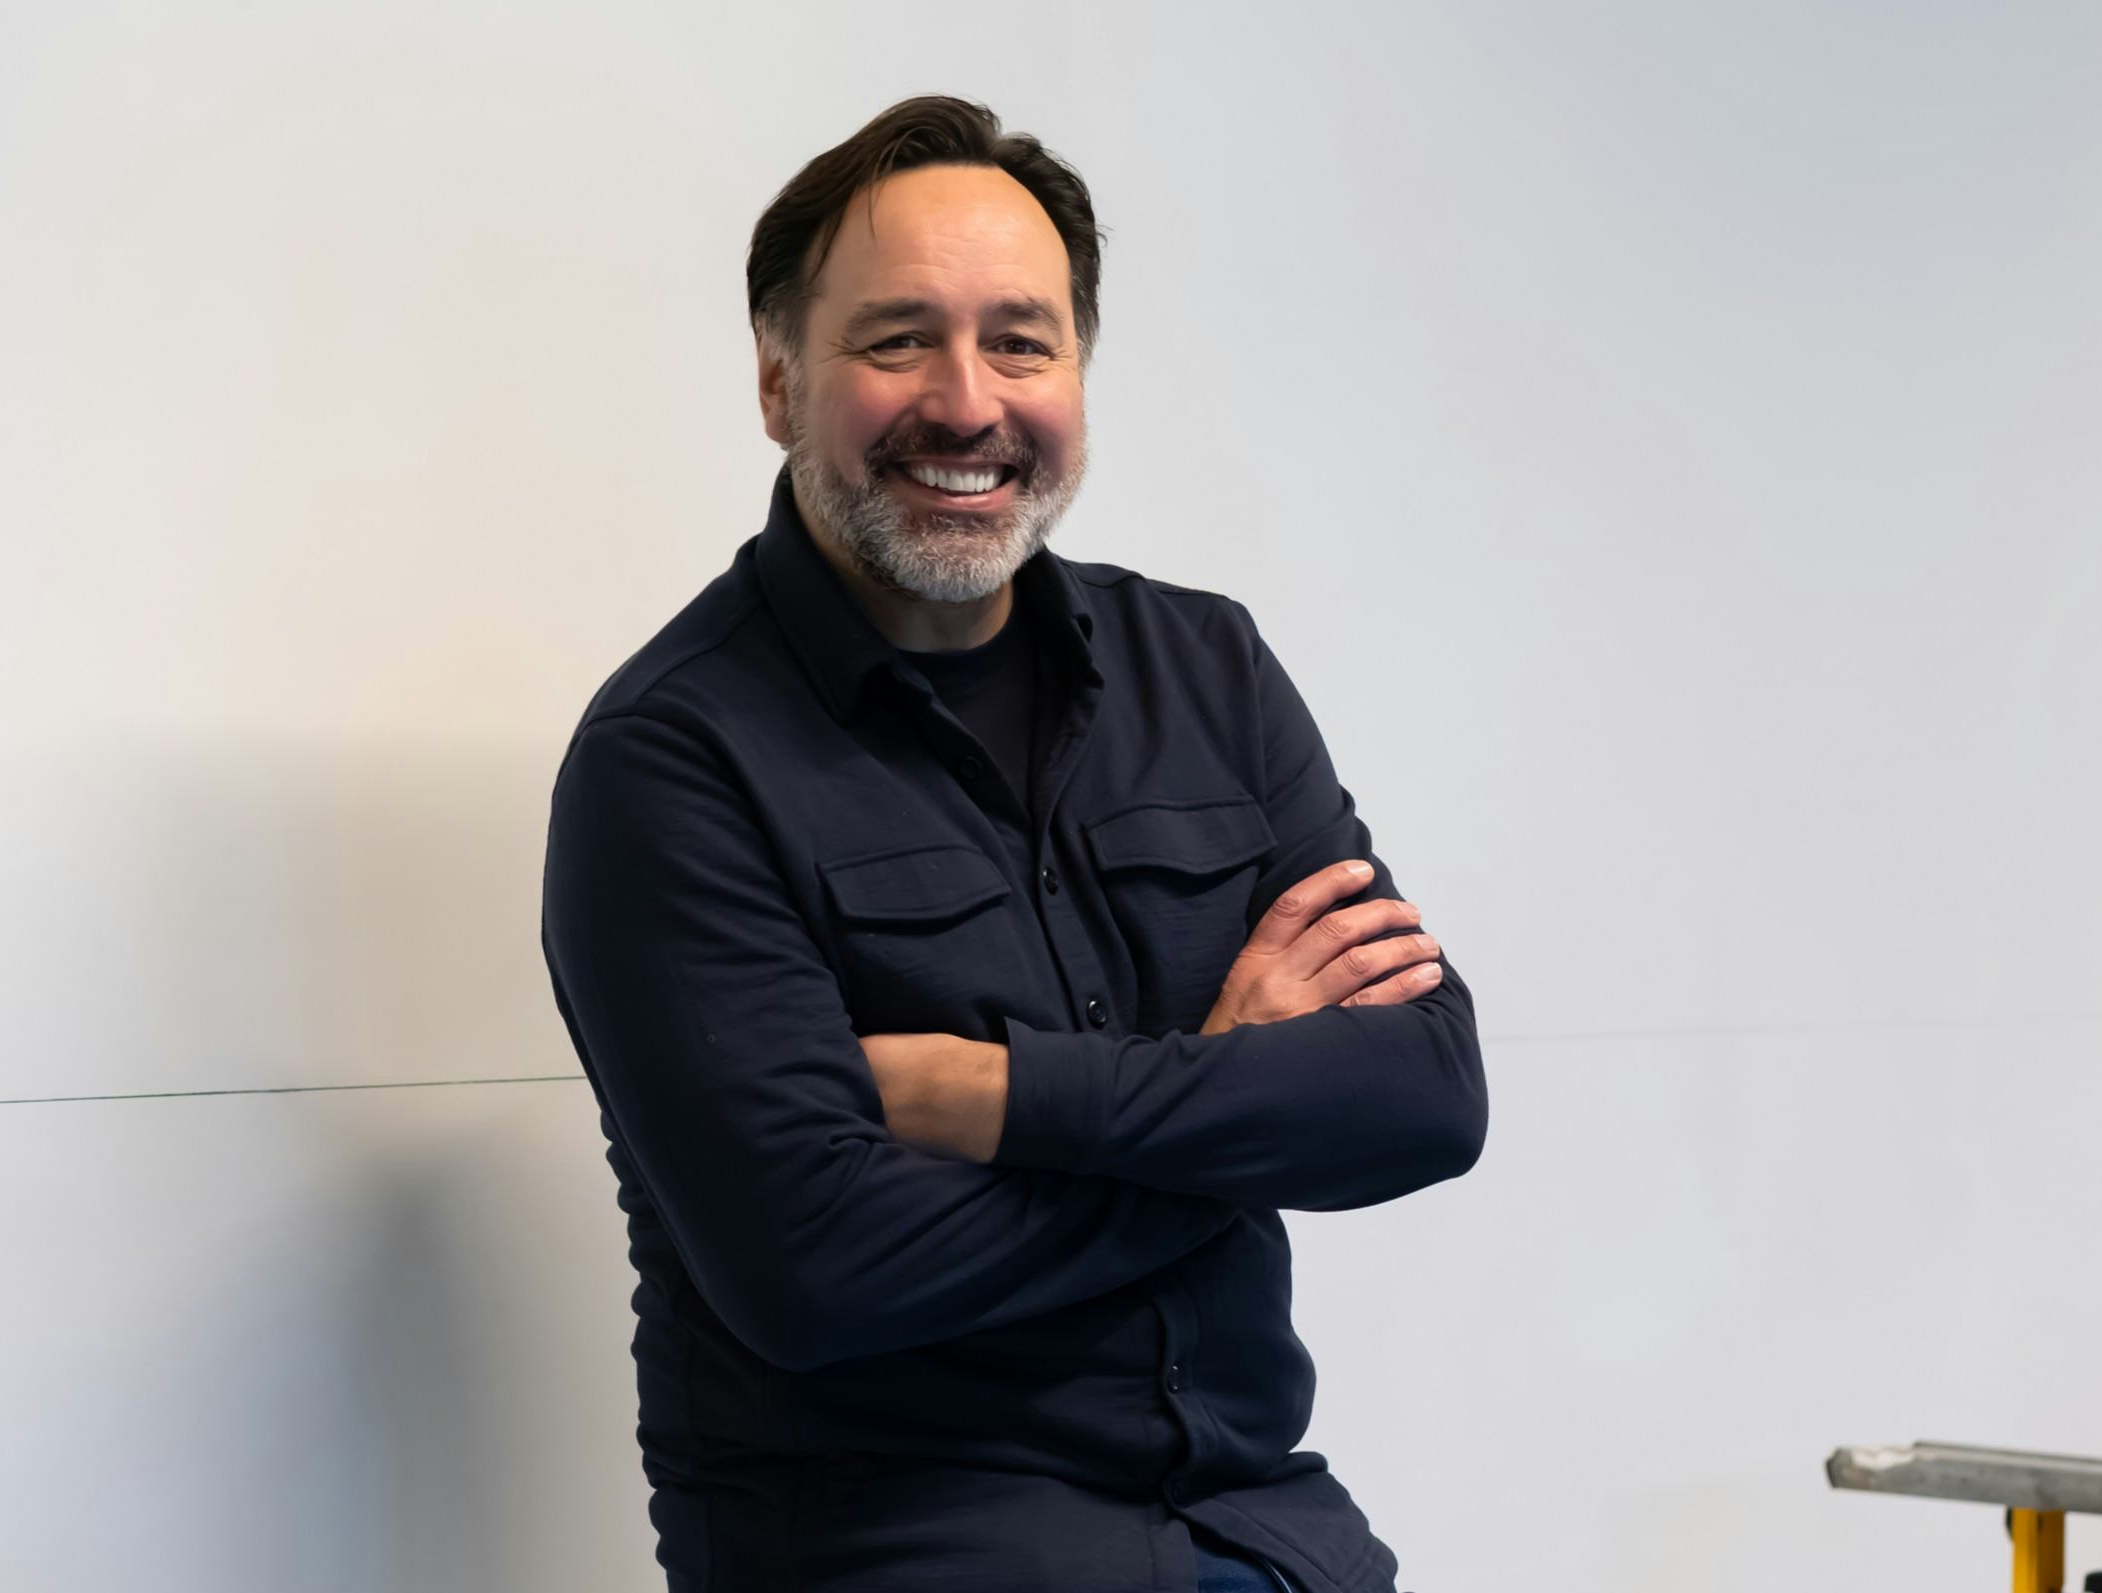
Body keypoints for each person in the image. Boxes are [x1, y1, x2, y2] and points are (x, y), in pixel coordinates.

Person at [539, 94, 1488, 1593]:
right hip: (908, 1557)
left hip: (1266, 1531)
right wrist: (1233, 1092)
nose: (968, 402)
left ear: (1079, 371)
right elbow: (818, 1268)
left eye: (1021, 342)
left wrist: (998, 1093)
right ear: (780, 380)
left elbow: (1424, 1093)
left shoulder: (1208, 672)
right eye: (897, 340)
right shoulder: (672, 761)